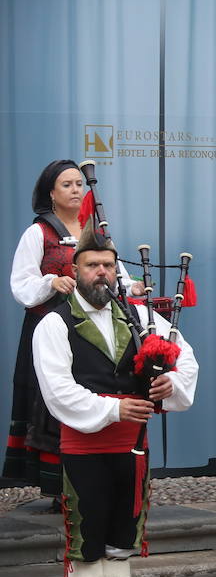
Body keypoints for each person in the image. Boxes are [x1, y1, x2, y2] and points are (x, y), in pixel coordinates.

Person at [32, 225, 198, 577]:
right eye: (92, 265)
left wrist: (171, 384)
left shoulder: (139, 317)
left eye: (107, 265)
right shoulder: (55, 321)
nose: (101, 272)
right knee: (86, 545)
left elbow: (186, 360)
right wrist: (114, 409)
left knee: (121, 545)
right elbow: (58, 392)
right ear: (76, 270)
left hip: (133, 451)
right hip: (85, 448)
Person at [7, 161, 138, 498]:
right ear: (51, 192)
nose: (76, 190)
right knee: (54, 397)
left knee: (89, 388)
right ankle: (57, 485)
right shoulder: (38, 232)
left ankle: (91, 479)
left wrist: (131, 286)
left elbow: (113, 271)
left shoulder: (94, 229)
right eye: (67, 185)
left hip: (91, 331)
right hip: (49, 327)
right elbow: (21, 284)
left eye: (79, 184)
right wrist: (52, 281)